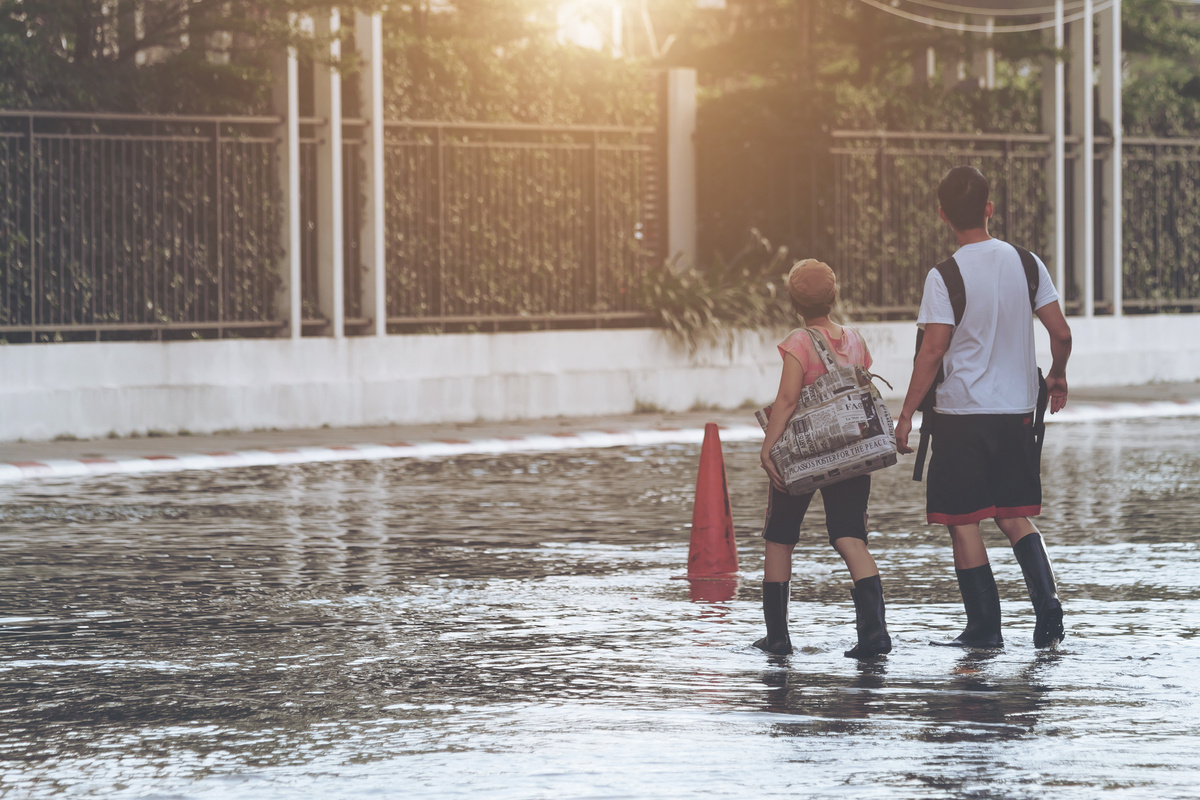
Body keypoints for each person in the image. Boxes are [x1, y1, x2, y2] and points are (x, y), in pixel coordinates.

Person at [893, 165, 1073, 649]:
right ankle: (1048, 606)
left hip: (960, 418)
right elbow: (1061, 333)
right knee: (1014, 515)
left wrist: (906, 413)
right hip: (1016, 413)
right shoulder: (1028, 263)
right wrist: (1057, 376)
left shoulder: (945, 275)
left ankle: (984, 629)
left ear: (942, 215)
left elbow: (932, 351)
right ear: (990, 209)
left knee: (963, 520)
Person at [753, 258, 892, 659]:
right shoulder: (855, 339)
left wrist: (769, 449)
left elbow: (788, 399)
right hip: (852, 454)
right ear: (835, 297)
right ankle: (874, 633)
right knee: (850, 536)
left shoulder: (799, 341)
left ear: (794, 302)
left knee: (780, 539)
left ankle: (777, 637)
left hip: (803, 456)